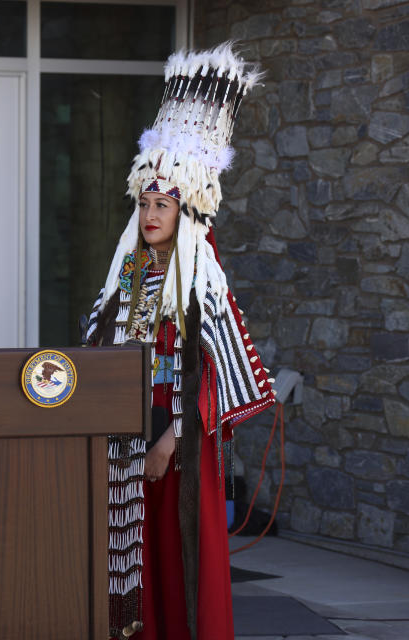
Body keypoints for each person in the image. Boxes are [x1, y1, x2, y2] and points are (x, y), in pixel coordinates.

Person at [84, 44, 275, 640]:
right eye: (143, 203)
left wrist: (172, 440)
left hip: (180, 441)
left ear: (185, 210)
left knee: (181, 563)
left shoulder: (201, 273)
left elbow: (224, 370)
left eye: (162, 204)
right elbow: (100, 353)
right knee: (134, 563)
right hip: (126, 437)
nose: (149, 215)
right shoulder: (130, 272)